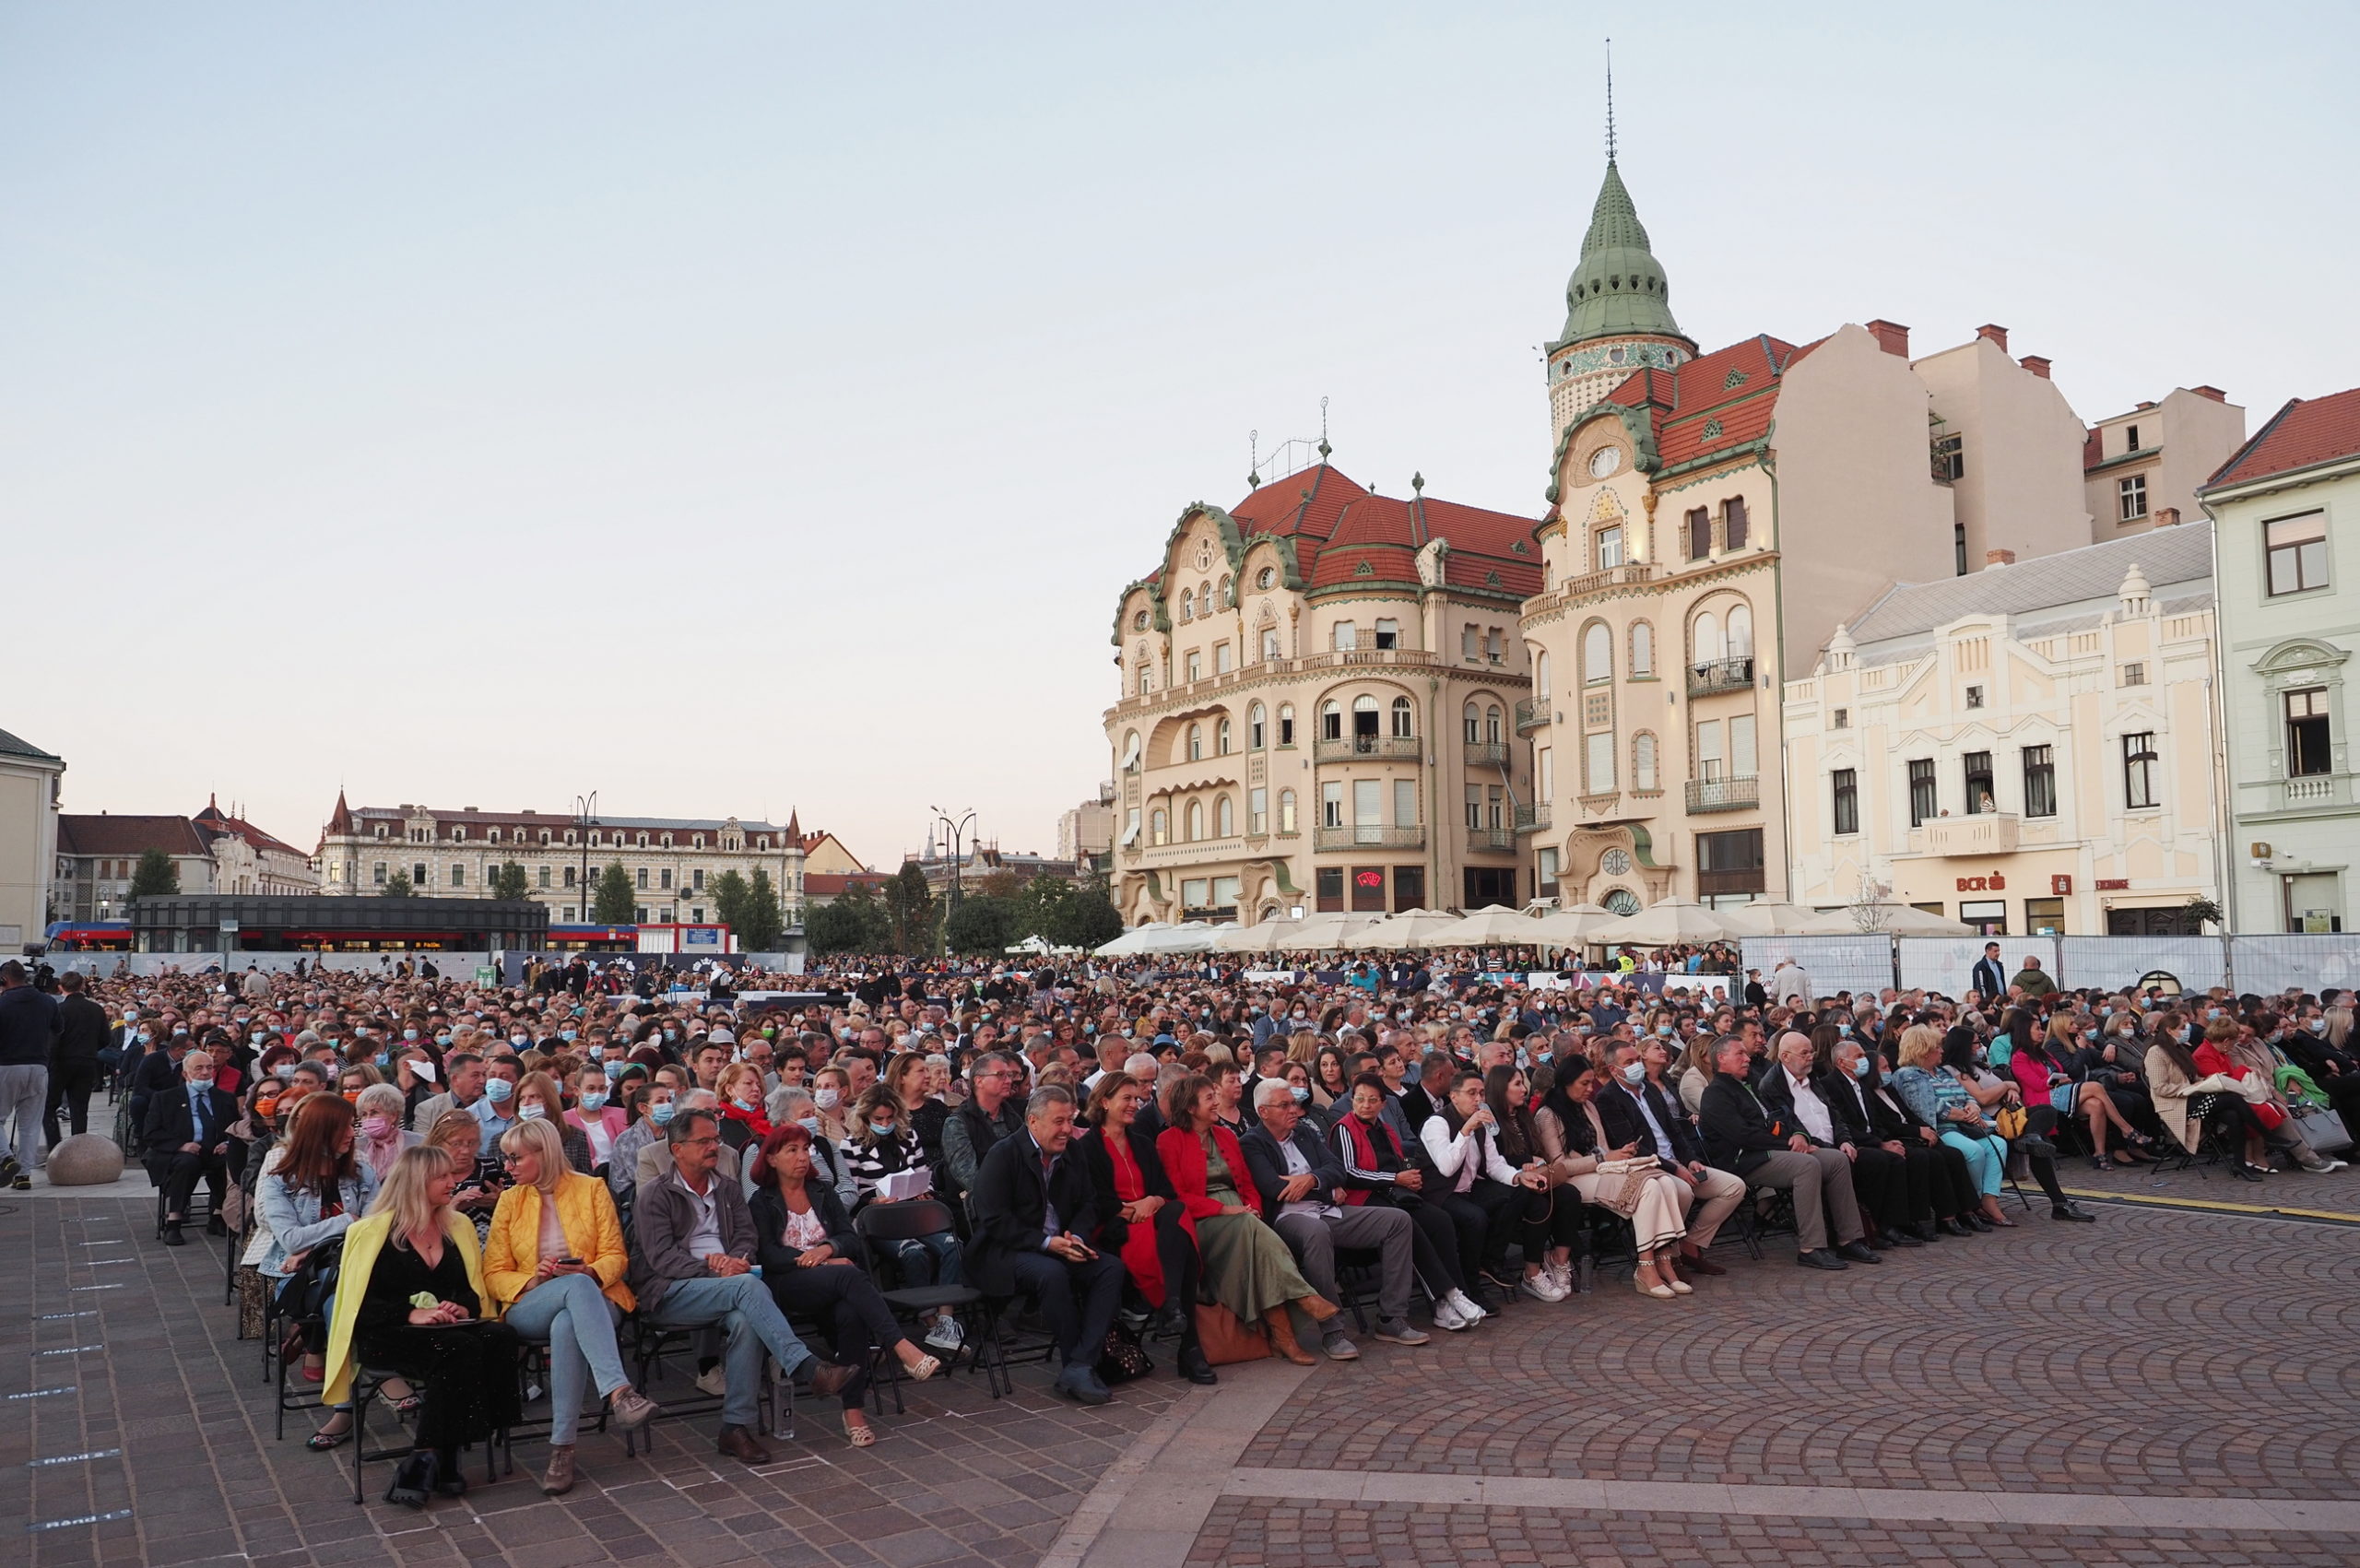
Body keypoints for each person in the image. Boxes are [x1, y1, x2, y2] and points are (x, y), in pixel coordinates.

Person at [626, 1109, 861, 1465]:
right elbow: (662, 1259)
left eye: (715, 1139)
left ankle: (735, 1428)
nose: (713, 1146)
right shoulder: (656, 1195)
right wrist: (715, 1267)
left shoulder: (728, 1188)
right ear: (677, 1149)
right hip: (671, 1291)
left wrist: (736, 1259)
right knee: (747, 1289)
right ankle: (806, 1367)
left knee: (747, 1318)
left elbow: (746, 1236)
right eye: (703, 1141)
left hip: (730, 1283)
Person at [322, 1148, 525, 1507]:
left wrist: (461, 1305)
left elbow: (469, 1289)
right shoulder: (370, 1232)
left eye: (451, 1175)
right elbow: (356, 1306)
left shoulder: (457, 1225)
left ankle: (436, 1454)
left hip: (446, 1329)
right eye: (442, 1177)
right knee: (460, 1350)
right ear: (416, 1183)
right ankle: (434, 1455)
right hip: (386, 1332)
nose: (453, 1182)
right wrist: (408, 1313)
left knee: (499, 1337)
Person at [483, 1116, 656, 1494]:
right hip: (530, 1300)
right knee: (571, 1291)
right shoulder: (510, 1200)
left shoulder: (591, 1188)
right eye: (506, 1159)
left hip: (595, 1295)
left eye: (515, 1158)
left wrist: (589, 1271)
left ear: (543, 1154)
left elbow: (617, 1256)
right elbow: (493, 1273)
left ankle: (562, 1448)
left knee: (568, 1319)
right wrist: (537, 1279)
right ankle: (619, 1392)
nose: (508, 1167)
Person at [747, 1123, 945, 1446]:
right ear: (771, 1159)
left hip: (834, 1283)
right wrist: (816, 1259)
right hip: (788, 1284)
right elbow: (767, 1254)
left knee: (852, 1313)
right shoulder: (762, 1201)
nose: (802, 1157)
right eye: (792, 1150)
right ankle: (902, 1347)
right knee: (850, 1275)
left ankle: (853, 1412)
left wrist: (828, 1249)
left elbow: (849, 1238)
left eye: (805, 1149)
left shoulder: (822, 1191)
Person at [1156, 1072, 1345, 1365]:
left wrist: (1252, 1207)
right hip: (1201, 1220)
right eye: (1210, 1098)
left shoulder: (1226, 1136)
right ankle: (1302, 1298)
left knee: (1254, 1238)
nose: (1217, 1102)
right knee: (1250, 1229)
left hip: (1243, 1217)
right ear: (1190, 1107)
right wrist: (1226, 1210)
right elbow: (1176, 1196)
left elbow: (1247, 1183)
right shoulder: (1168, 1141)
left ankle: (1285, 1339)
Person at [964, 1085, 1127, 1406]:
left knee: (1110, 1268)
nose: (1067, 1129)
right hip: (1006, 1251)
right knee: (1052, 1274)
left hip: (1060, 1243)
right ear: (1033, 1122)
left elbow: (1088, 1203)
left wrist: (1076, 1237)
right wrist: (1045, 1243)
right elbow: (994, 1220)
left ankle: (1081, 1364)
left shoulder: (1073, 1151)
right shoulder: (1004, 1154)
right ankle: (1073, 1363)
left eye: (1070, 1120)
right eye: (1058, 1122)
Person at [1240, 1079, 1429, 1353]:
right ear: (1263, 1111)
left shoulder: (1304, 1132)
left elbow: (1337, 1169)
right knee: (1317, 1233)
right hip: (1287, 1219)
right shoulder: (1252, 1143)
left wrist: (1311, 1180)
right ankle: (1333, 1330)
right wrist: (1326, 1189)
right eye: (1284, 1105)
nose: (1294, 1109)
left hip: (1329, 1211)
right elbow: (1274, 1188)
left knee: (1397, 1221)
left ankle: (1391, 1317)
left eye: (1294, 1102)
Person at [1074, 1074, 1217, 1383]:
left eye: (1136, 1098)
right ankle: (1188, 1345)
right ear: (1104, 1102)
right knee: (1182, 1243)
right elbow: (1092, 1199)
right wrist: (1130, 1210)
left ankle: (1173, 1309)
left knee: (1176, 1214)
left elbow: (1166, 1191)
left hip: (1153, 1221)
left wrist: (1151, 1200)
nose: (1134, 1104)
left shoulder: (1142, 1143)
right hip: (1115, 1228)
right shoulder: (1087, 1147)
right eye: (1126, 1098)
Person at [252, 1090, 380, 1425]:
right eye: (344, 1127)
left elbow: (377, 1229)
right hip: (299, 1281)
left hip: (359, 1270)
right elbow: (291, 1238)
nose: (353, 1133)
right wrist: (347, 1223)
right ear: (320, 1131)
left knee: (344, 1295)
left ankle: (342, 1403)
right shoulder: (280, 1178)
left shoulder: (361, 1173)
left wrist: (316, 1245)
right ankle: (365, 1394)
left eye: (352, 1125)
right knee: (342, 1298)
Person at [1697, 1037, 1877, 1270]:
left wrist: (1801, 1135)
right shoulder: (1716, 1093)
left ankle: (1849, 1238)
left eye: (1745, 1053)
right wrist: (1788, 1143)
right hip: (1744, 1159)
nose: (1747, 1058)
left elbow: (1784, 1114)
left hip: (1772, 1150)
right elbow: (1743, 1136)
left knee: (1836, 1159)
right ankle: (1811, 1247)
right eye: (1739, 1054)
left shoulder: (1752, 1082)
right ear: (1721, 1059)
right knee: (1806, 1165)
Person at [1328, 1074, 1486, 1329]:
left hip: (1394, 1194)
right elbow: (1349, 1173)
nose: (1365, 1105)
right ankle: (1449, 1295)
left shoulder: (1387, 1129)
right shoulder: (1345, 1128)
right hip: (1364, 1200)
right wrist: (1395, 1178)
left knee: (1440, 1220)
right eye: (1359, 1099)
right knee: (1410, 1225)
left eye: (1372, 1100)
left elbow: (1400, 1163)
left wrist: (1409, 1178)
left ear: (1382, 1104)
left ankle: (1451, 1299)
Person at [1756, 1031, 1917, 1249]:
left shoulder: (1811, 1077)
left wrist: (1845, 1140)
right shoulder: (1772, 1084)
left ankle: (1889, 1225)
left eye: (1811, 1052)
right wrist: (1828, 1146)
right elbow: (1789, 1124)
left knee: (1893, 1159)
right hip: (1811, 1147)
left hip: (1837, 1143)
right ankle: (1862, 1233)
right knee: (1871, 1161)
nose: (1810, 1056)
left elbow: (1834, 1114)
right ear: (1785, 1057)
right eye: (1804, 1053)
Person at [838, 1086, 964, 1354]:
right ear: (865, 1118)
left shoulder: (909, 1136)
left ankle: (945, 1317)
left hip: (913, 1211)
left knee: (953, 1244)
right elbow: (852, 1192)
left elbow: (921, 1171)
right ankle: (927, 1317)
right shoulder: (850, 1145)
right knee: (914, 1252)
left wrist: (922, 1189)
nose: (885, 1124)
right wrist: (872, 1201)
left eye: (889, 1118)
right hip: (878, 1218)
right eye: (879, 1119)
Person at [1889, 1025, 2017, 1226]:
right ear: (1922, 1050)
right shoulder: (1909, 1075)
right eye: (1937, 1047)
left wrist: (1972, 1108)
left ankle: (1988, 1200)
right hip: (1942, 1128)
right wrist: (1966, 1116)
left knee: (1998, 1145)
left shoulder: (1941, 1071)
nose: (1942, 1050)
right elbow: (1927, 1107)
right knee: (1974, 1151)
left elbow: (1966, 1095)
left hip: (1964, 1125)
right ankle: (1971, 1203)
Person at [143, 1049, 239, 1244]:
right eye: (199, 1068)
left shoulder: (224, 1098)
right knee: (187, 1163)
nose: (205, 1073)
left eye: (209, 1068)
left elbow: (235, 1128)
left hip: (214, 1149)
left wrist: (228, 1143)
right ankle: (174, 1220)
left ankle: (218, 1215)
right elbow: (151, 1133)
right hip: (178, 1152)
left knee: (231, 1161)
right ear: (186, 1074)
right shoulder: (165, 1098)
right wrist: (181, 1146)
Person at [940, 1050, 1027, 1213]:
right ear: (979, 1081)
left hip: (1015, 1199)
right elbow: (969, 1176)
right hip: (976, 1207)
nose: (1008, 1080)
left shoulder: (1012, 1116)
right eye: (1000, 1075)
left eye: (1009, 1075)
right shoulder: (958, 1123)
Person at [0, 959, 59, 1186]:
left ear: (4, 979)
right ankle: (24, 1174)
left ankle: (6, 1158)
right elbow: (58, 1029)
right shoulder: (46, 1001)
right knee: (30, 1124)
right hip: (38, 1066)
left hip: (6, 1065)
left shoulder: (3, 1003)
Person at [44, 971, 109, 1150]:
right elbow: (106, 1038)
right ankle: (78, 1149)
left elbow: (53, 1039)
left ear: (60, 987)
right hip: (87, 1061)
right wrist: (89, 1050)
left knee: (48, 1105)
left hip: (61, 1062)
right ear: (83, 986)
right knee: (80, 1107)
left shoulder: (60, 1009)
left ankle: (54, 1147)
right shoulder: (96, 1009)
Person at [353, 1082, 419, 1181]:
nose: (367, 1118)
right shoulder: (356, 1147)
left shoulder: (418, 1143)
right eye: (364, 1114)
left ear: (393, 1115)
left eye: (374, 1112)